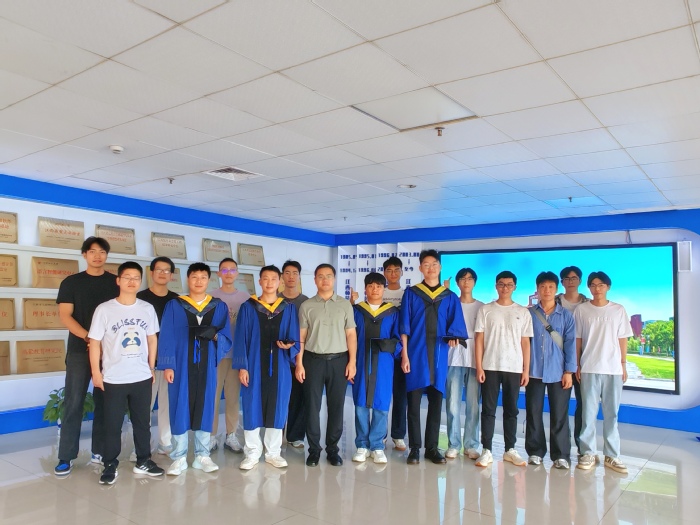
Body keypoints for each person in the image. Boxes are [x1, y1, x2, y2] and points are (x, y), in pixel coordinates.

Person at [88, 261, 164, 484]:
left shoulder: (146, 308)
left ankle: (143, 461)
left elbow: (152, 338)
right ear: (118, 280)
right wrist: (96, 372)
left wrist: (151, 367)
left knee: (142, 422)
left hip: (141, 376)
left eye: (136, 278)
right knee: (112, 424)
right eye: (127, 277)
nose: (132, 281)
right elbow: (94, 343)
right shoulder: (104, 309)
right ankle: (110, 464)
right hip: (113, 378)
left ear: (140, 282)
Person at [157, 263, 232, 476]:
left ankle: (202, 456)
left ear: (209, 280)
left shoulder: (218, 306)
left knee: (206, 405)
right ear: (187, 279)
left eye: (203, 277)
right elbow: (167, 335)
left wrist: (215, 335)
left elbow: (226, 334)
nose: (199, 281)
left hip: (207, 365)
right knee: (179, 406)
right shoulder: (175, 305)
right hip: (181, 365)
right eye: (194, 277)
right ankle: (179, 457)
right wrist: (168, 365)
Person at [54, 237, 119, 476]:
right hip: (79, 350)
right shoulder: (71, 282)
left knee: (105, 401)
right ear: (84, 255)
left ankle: (99, 451)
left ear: (106, 255)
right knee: (73, 401)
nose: (97, 256)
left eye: (102, 252)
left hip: (109, 352)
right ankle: (66, 456)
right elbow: (65, 315)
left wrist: (103, 342)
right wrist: (89, 337)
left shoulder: (116, 282)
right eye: (92, 251)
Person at [400, 249, 467, 465]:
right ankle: (414, 448)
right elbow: (404, 326)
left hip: (439, 355)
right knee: (413, 403)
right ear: (420, 268)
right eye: (426, 265)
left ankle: (431, 448)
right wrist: (404, 355)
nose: (430, 268)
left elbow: (455, 326)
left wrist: (454, 337)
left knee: (436, 403)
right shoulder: (411, 293)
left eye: (434, 264)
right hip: (415, 354)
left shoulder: (450, 297)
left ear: (440, 267)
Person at [234, 265, 300, 470]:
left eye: (273, 279)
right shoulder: (248, 307)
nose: (269, 282)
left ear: (279, 282)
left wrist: (290, 345)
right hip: (253, 365)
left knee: (277, 406)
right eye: (266, 278)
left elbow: (295, 337)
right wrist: (242, 367)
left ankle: (273, 453)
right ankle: (252, 452)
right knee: (252, 405)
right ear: (260, 282)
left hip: (280, 365)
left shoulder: (288, 308)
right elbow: (241, 338)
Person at [296, 264, 357, 467]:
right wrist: (299, 363)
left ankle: (333, 450)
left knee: (336, 407)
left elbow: (351, 334)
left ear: (334, 279)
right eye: (321, 276)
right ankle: (314, 450)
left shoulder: (345, 305)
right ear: (315, 280)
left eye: (329, 276)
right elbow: (301, 336)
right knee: (312, 407)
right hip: (312, 361)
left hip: (339, 361)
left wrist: (352, 362)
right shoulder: (306, 306)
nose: (325, 280)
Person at [575, 271, 633, 474]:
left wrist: (623, 364)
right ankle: (588, 452)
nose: (596, 288)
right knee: (588, 413)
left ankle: (612, 455)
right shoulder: (582, 310)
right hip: (589, 367)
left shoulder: (618, 310)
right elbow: (578, 339)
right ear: (589, 288)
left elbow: (623, 338)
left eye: (600, 285)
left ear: (608, 287)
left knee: (612, 414)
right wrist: (578, 364)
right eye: (593, 285)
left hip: (613, 369)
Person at [474, 270, 533, 468]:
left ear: (515, 287)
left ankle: (510, 449)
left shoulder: (522, 312)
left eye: (509, 284)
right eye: (501, 284)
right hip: (490, 366)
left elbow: (525, 343)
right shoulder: (486, 310)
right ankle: (487, 450)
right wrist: (479, 366)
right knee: (488, 410)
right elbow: (479, 339)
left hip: (514, 368)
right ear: (496, 286)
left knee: (511, 410)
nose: (505, 288)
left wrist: (526, 370)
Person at [526, 272, 576, 469]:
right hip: (533, 371)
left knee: (560, 415)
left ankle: (561, 455)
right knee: (533, 412)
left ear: (556, 290)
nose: (546, 290)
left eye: (550, 287)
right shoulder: (529, 314)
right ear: (537, 289)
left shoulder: (566, 316)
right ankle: (535, 452)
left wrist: (569, 372)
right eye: (543, 287)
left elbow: (571, 344)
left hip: (558, 372)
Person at [351, 272, 402, 464]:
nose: (374, 289)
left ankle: (377, 446)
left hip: (383, 364)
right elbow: (349, 337)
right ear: (365, 288)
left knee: (381, 403)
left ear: (384, 289)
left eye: (379, 286)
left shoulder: (393, 312)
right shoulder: (356, 311)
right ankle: (362, 445)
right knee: (360, 403)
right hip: (361, 361)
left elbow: (399, 339)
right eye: (371, 286)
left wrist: (390, 345)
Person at [135, 256, 179, 457]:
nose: (162, 273)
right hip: (144, 361)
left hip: (169, 361)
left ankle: (165, 442)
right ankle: (141, 446)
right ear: (151, 273)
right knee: (143, 405)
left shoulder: (177, 301)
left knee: (167, 403)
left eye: (166, 270)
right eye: (158, 269)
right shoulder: (139, 298)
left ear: (171, 275)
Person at [209, 258, 250, 452]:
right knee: (213, 396)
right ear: (218, 273)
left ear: (237, 273)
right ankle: (210, 435)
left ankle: (231, 435)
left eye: (232, 270)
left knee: (233, 398)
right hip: (215, 356)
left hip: (236, 356)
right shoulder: (210, 297)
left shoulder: (245, 298)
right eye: (224, 270)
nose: (228, 273)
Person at [445, 268, 484, 460]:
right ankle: (453, 444)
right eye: (462, 278)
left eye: (470, 279)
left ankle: (471, 445)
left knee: (473, 405)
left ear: (474, 282)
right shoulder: (450, 304)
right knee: (452, 404)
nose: (466, 282)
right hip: (453, 359)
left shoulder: (482, 307)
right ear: (457, 283)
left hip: (475, 361)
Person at [556, 265, 589, 456]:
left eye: (574, 278)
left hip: (585, 361)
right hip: (560, 361)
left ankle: (582, 447)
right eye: (567, 278)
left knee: (584, 405)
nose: (570, 281)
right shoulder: (554, 302)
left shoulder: (588, 304)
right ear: (562, 282)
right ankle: (562, 448)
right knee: (561, 406)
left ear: (580, 281)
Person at [279, 260, 309, 449]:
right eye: (287, 273)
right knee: (279, 396)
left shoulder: (306, 302)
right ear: (282, 276)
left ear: (299, 276)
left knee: (299, 397)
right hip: (279, 356)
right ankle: (276, 433)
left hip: (301, 358)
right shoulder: (274, 300)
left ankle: (295, 435)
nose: (291, 277)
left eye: (295, 273)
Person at [382, 256, 408, 452]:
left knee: (400, 395)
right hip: (383, 352)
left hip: (403, 352)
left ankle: (398, 435)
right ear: (384, 273)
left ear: (401, 272)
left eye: (396, 270)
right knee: (382, 394)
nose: (393, 274)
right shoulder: (378, 292)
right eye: (389, 270)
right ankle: (380, 434)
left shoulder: (408, 295)